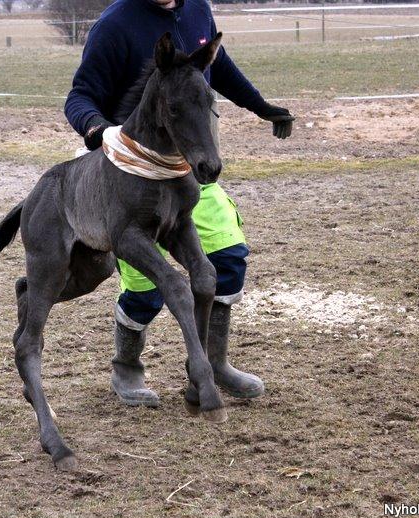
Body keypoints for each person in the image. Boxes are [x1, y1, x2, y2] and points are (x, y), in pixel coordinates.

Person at [64, 0, 294, 408]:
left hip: (186, 169)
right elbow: (80, 95)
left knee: (227, 255)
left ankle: (212, 364)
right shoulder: (115, 25)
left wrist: (262, 108)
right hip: (129, 178)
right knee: (148, 285)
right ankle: (127, 368)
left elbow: (217, 70)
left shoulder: (197, 10)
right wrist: (97, 129)